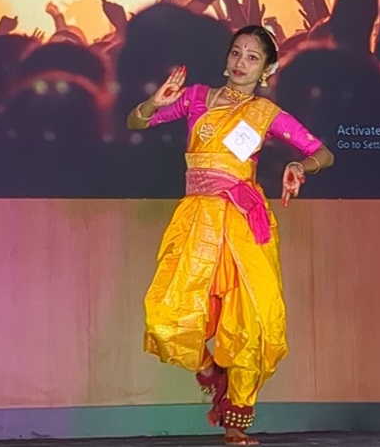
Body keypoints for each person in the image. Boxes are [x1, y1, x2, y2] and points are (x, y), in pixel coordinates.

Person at [126, 25, 334, 446]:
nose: (241, 62)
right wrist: (153, 103)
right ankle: (210, 370)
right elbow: (137, 122)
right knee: (166, 314)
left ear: (267, 69)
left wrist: (299, 167)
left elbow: (322, 153)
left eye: (253, 57)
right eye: (236, 53)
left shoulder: (265, 114)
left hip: (242, 223)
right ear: (226, 58)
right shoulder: (196, 98)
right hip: (196, 220)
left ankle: (235, 420)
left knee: (250, 319)